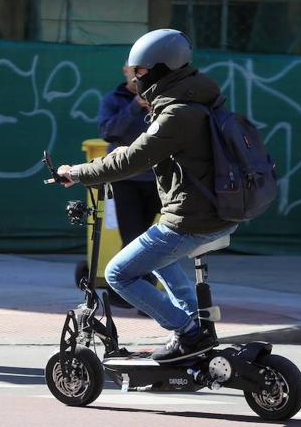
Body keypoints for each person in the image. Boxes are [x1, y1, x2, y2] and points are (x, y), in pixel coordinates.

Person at [57, 29, 238, 363]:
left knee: (118, 274)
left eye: (140, 71)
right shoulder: (203, 98)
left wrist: (76, 172)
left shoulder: (177, 113)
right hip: (218, 213)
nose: (135, 78)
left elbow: (131, 159)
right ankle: (193, 326)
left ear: (160, 69)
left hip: (191, 218)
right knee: (157, 257)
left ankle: (187, 333)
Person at [98, 63, 161, 249]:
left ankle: (139, 275)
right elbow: (108, 132)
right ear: (125, 70)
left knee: (147, 237)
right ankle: (129, 276)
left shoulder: (159, 100)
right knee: (132, 237)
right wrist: (134, 106)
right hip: (125, 178)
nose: (136, 76)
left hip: (155, 177)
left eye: (140, 71)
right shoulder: (113, 100)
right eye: (133, 70)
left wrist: (157, 113)